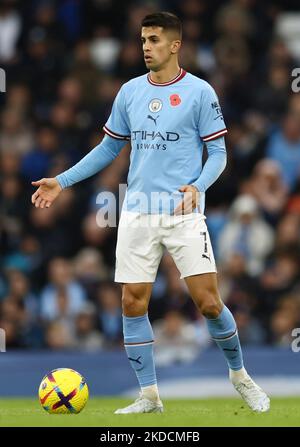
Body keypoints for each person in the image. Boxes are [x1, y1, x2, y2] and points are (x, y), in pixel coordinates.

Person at [31, 12, 270, 414]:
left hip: (182, 210)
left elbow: (219, 153)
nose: (146, 46)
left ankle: (240, 375)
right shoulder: (129, 92)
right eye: (143, 39)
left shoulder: (199, 92)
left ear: (175, 45)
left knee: (209, 302)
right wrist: (62, 180)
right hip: (138, 212)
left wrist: (198, 187)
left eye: (155, 40)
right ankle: (149, 396)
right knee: (132, 303)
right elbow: (109, 149)